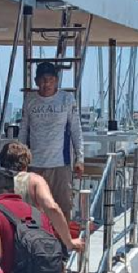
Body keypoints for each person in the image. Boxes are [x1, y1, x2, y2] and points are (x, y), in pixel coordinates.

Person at [18, 62, 84, 220]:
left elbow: (76, 129)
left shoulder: (67, 99)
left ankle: (64, 242)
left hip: (60, 164)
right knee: (33, 208)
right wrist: (20, 157)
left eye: (50, 79)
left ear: (56, 80)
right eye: (42, 79)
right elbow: (24, 129)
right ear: (36, 81)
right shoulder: (30, 99)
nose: (46, 83)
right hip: (35, 163)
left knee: (63, 206)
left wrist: (80, 158)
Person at [0, 140, 84, 254]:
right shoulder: (34, 180)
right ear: (26, 162)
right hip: (29, 243)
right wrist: (68, 241)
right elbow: (52, 208)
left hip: (0, 241)